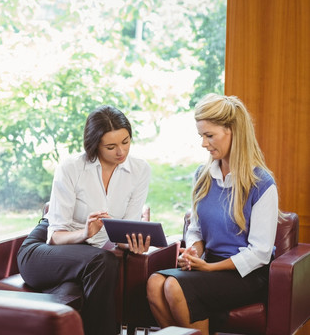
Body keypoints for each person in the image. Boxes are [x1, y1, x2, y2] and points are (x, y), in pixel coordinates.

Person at [146, 94, 280, 335]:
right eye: (201, 136)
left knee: (174, 287)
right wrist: (194, 252)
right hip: (210, 263)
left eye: (209, 136)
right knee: (155, 283)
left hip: (246, 274)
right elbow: (196, 228)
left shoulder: (262, 184)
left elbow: (260, 253)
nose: (204, 144)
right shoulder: (203, 175)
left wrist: (209, 269)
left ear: (233, 131)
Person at [17, 105, 151, 335]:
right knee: (103, 262)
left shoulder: (140, 170)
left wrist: (133, 243)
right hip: (43, 251)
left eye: (126, 142)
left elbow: (123, 233)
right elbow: (55, 236)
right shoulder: (72, 168)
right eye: (111, 146)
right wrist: (85, 233)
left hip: (88, 263)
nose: (121, 152)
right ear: (94, 145)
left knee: (75, 290)